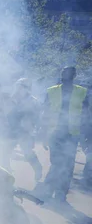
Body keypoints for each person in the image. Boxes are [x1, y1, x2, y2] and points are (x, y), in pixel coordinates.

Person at [38, 67, 90, 203]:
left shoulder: (82, 92)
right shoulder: (52, 91)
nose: (64, 75)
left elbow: (85, 115)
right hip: (54, 132)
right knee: (56, 163)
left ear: (74, 76)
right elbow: (46, 113)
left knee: (68, 165)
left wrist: (85, 135)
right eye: (63, 73)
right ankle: (48, 191)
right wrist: (43, 134)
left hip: (72, 135)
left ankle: (60, 194)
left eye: (67, 73)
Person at [3, 78, 43, 181]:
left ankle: (38, 168)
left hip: (25, 131)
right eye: (17, 86)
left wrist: (34, 127)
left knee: (28, 153)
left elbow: (37, 117)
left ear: (27, 88)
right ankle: (6, 174)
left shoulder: (33, 101)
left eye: (21, 86)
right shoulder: (11, 99)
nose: (18, 89)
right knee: (5, 152)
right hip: (11, 130)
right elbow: (5, 114)